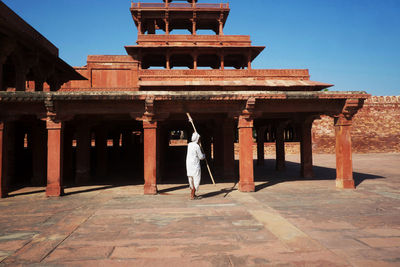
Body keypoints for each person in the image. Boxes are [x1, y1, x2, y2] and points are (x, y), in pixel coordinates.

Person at [186, 132, 205, 200]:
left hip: (189, 164)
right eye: (199, 138)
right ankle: (192, 195)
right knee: (196, 179)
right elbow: (200, 157)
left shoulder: (189, 145)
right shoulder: (197, 146)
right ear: (197, 139)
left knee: (191, 179)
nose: (200, 140)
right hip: (195, 165)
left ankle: (193, 194)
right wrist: (204, 155)